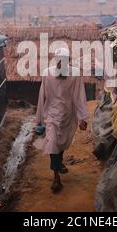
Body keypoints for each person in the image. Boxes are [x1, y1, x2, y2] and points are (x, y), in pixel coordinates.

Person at [34, 47, 88, 193]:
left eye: (64, 61)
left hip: (68, 114)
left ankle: (59, 163)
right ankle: (56, 177)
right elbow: (42, 96)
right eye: (59, 61)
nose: (61, 64)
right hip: (51, 115)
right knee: (52, 142)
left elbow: (79, 96)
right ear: (55, 61)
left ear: (69, 61)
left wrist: (82, 117)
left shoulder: (75, 74)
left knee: (62, 142)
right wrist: (39, 118)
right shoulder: (47, 73)